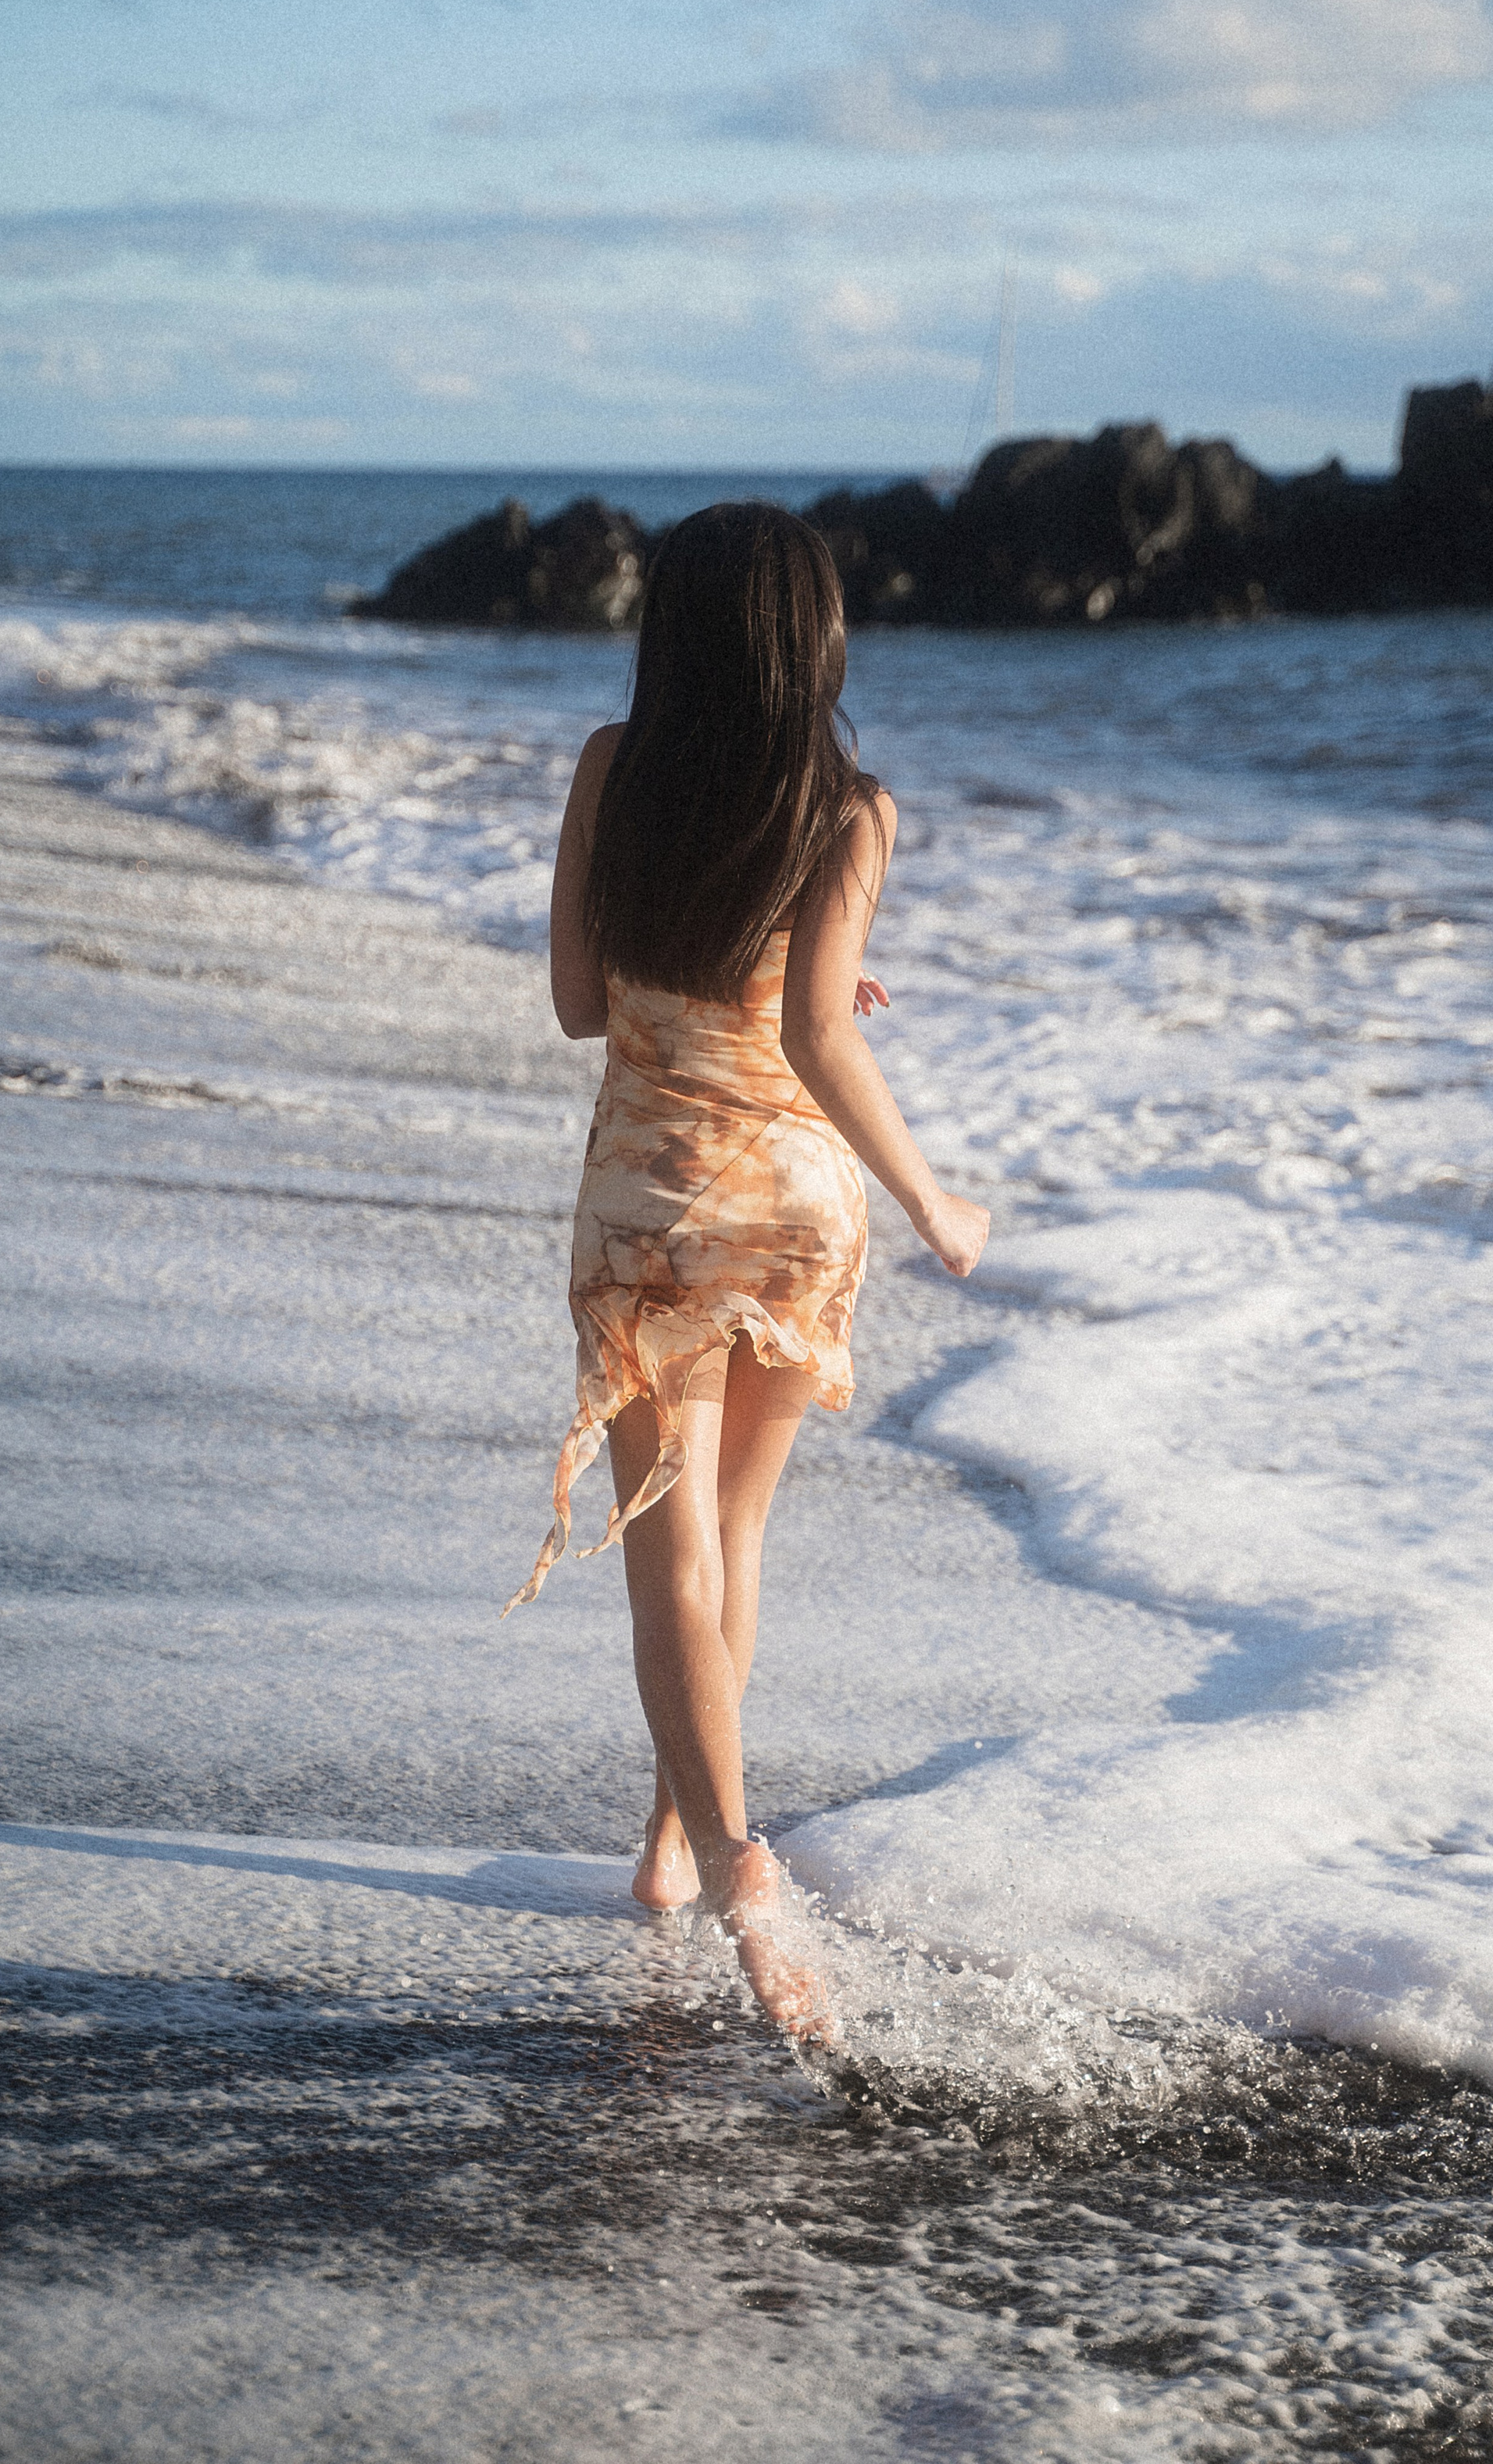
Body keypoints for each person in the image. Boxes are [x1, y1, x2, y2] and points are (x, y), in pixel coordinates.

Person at [505, 502, 988, 2036]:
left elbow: (584, 1003)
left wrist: (787, 991)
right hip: (794, 1200)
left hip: (649, 1204)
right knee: (740, 1530)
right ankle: (666, 1846)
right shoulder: (851, 811)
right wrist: (932, 1202)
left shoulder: (609, 767)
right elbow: (811, 1035)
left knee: (673, 1555)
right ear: (816, 643)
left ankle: (730, 1866)